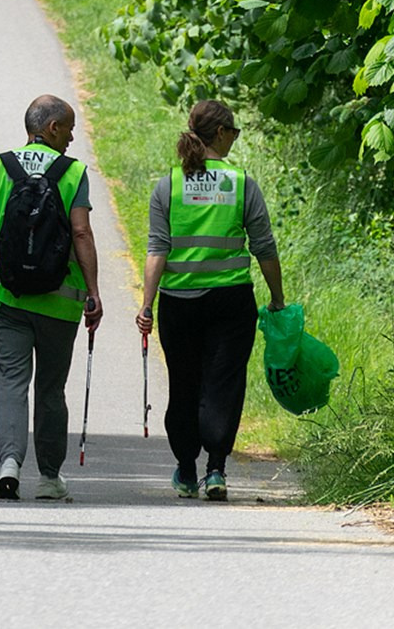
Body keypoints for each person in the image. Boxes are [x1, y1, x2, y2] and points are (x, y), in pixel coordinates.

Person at [0, 95, 102, 501]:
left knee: (11, 381)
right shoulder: (73, 172)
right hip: (60, 302)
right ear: (52, 127)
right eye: (68, 129)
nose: (71, 138)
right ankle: (50, 478)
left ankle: (9, 465)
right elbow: (81, 233)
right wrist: (92, 292)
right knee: (51, 389)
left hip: (8, 296)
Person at [134, 100, 283, 502]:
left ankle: (186, 469)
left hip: (178, 302)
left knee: (183, 383)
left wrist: (146, 304)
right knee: (223, 384)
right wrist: (277, 298)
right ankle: (215, 469)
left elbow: (157, 248)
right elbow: (264, 247)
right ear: (220, 133)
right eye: (233, 132)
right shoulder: (241, 183)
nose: (234, 138)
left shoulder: (168, 185)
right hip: (231, 301)